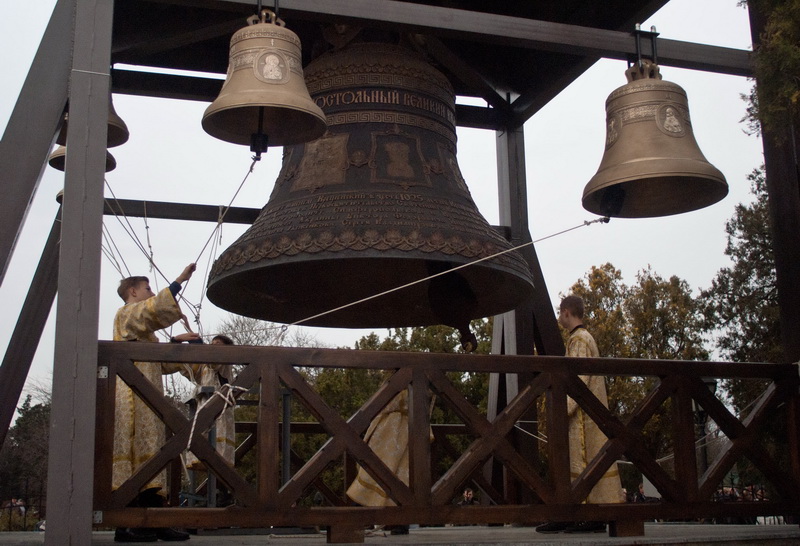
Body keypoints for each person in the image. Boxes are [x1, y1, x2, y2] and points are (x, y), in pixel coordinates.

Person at [112, 264, 199, 543]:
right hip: (132, 398)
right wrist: (177, 282)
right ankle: (131, 523)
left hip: (147, 399)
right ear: (132, 291)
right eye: (147, 288)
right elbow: (148, 313)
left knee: (151, 454)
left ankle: (149, 521)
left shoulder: (143, 334)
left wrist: (185, 344)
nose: (151, 293)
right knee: (138, 454)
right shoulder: (125, 315)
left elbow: (161, 363)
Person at [535, 295, 622, 535]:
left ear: (565, 312)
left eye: (559, 313)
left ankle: (588, 515)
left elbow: (578, 380)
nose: (558, 317)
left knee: (583, 460)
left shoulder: (580, 340)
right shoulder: (579, 339)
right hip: (584, 412)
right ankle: (569, 513)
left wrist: (561, 410)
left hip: (584, 415)